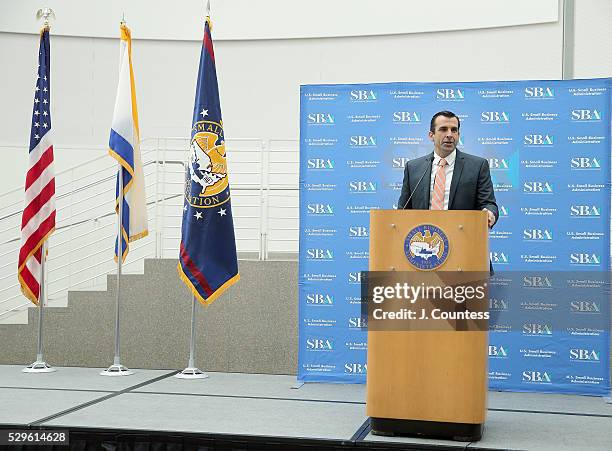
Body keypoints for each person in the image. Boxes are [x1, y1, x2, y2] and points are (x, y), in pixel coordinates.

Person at [397, 110, 498, 228]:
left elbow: (488, 203)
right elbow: (403, 210)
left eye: (454, 130)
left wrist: (489, 213)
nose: (449, 134)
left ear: (458, 135)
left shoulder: (478, 166)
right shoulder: (413, 167)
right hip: (424, 237)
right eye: (443, 129)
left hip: (463, 237)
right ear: (431, 135)